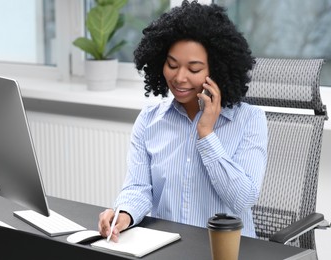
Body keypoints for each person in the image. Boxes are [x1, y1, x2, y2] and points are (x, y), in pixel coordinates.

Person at [98, 0, 268, 242]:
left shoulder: (250, 120)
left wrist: (206, 133)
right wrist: (123, 215)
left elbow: (242, 199)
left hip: (224, 252)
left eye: (194, 69)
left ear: (216, 70)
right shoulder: (149, 121)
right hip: (167, 249)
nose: (179, 78)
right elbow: (138, 188)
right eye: (172, 65)